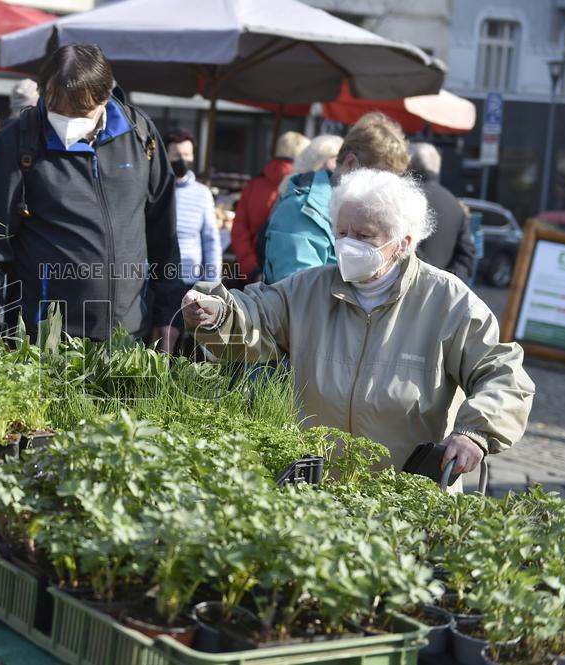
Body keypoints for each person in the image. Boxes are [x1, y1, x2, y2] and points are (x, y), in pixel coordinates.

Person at [182, 168, 535, 480]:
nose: (349, 244)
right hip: (318, 486)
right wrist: (218, 312)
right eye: (342, 232)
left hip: (406, 493)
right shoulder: (308, 287)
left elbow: (502, 372)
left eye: (364, 235)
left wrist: (474, 433)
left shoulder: (447, 300)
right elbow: (257, 314)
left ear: (403, 243)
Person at [0, 44, 184, 349]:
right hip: (44, 343)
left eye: (79, 111)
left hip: (129, 339)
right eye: (56, 109)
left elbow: (164, 235)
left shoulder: (140, 135)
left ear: (105, 96)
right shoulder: (17, 142)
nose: (66, 120)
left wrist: (169, 312)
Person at [262, 112, 410, 284]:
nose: (382, 191)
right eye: (376, 179)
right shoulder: (301, 211)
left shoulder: (337, 208)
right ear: (350, 164)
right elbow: (299, 297)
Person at [231, 131, 309, 284]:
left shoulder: (253, 185)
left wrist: (252, 270)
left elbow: (238, 232)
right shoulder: (303, 187)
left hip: (250, 275)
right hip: (287, 275)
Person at [410, 142, 475, 283]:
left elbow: (402, 245)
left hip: (408, 292)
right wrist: (449, 284)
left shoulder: (404, 198)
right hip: (444, 295)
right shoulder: (456, 205)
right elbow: (466, 255)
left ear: (410, 166)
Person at [165, 128, 221, 285]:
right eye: (177, 156)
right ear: (166, 156)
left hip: (190, 281)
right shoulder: (154, 190)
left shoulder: (202, 193)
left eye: (187, 155)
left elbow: (211, 240)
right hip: (157, 279)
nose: (183, 160)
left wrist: (213, 283)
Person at [276, 134, 343, 197]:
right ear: (324, 161)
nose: (341, 165)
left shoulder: (291, 182)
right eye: (338, 160)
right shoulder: (307, 194)